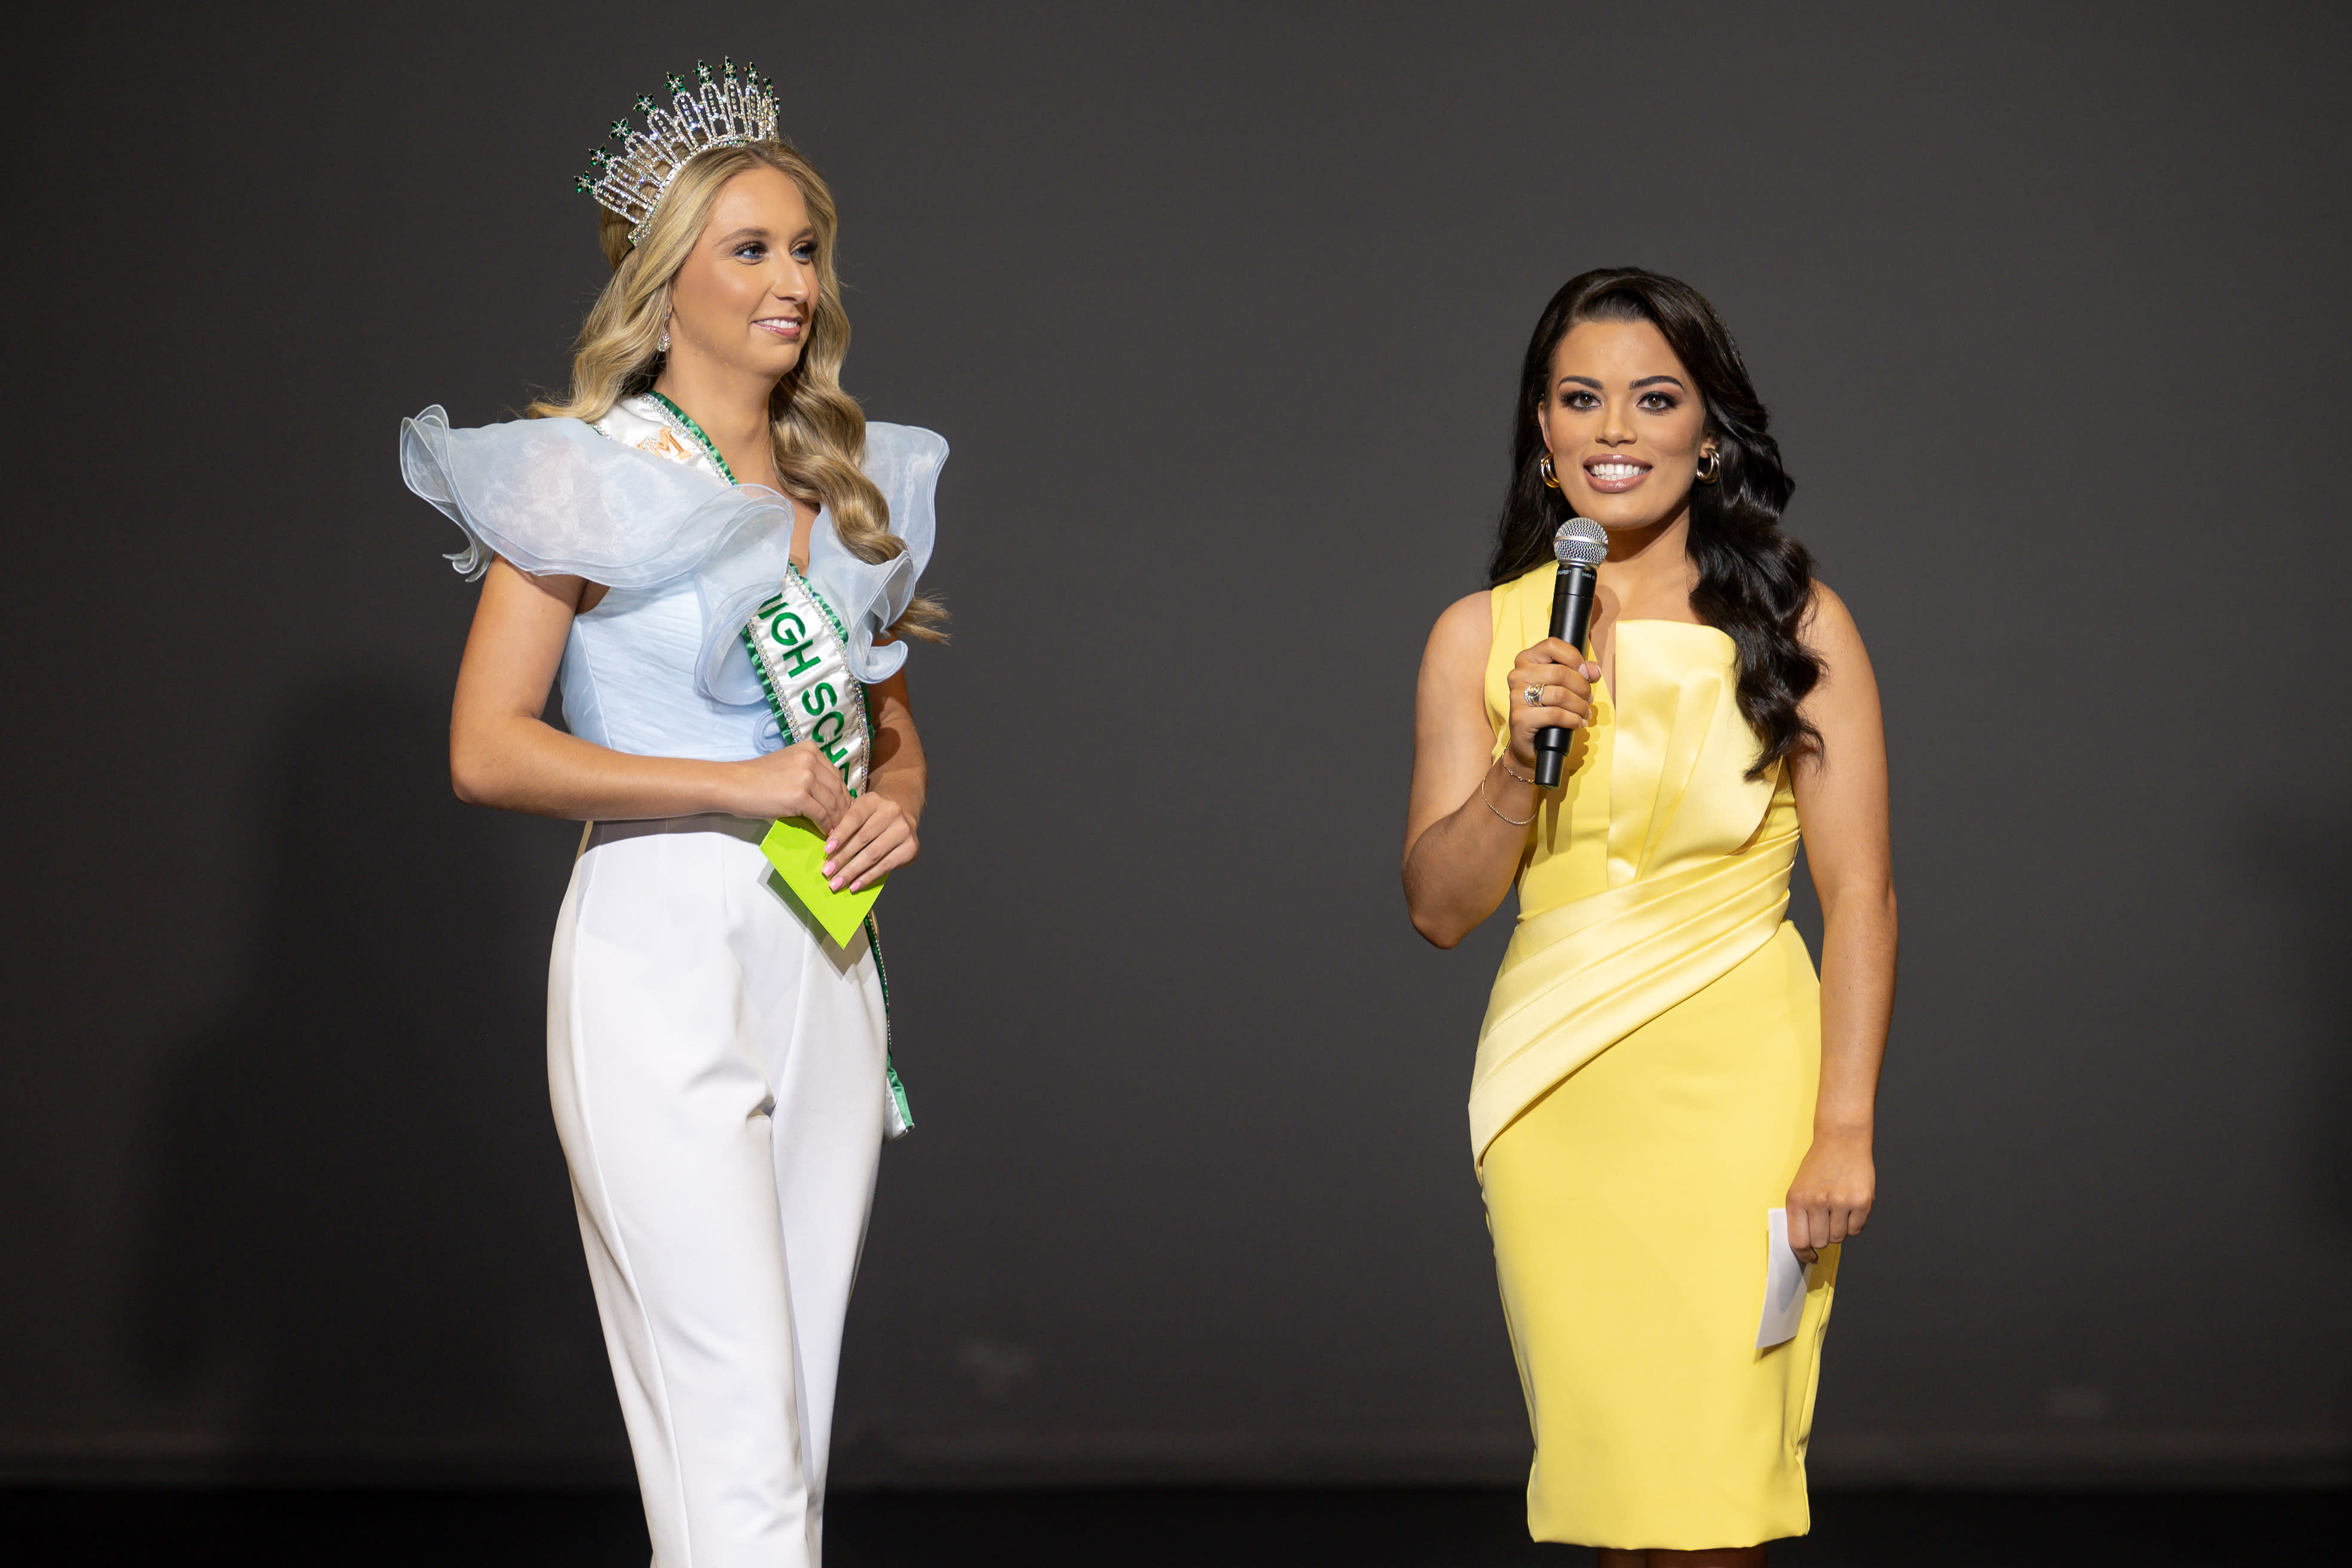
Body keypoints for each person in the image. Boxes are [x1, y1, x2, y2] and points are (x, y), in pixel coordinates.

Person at [397, 60, 945, 1567]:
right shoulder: (587, 475)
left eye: (806, 248)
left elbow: (892, 739)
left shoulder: (842, 486)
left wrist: (892, 802)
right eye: (750, 248)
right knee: (732, 1421)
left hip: (821, 948)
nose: (791, 279)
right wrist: (732, 781)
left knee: (788, 1435)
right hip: (657, 932)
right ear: (666, 282)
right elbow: (487, 749)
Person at [1402, 268, 1896, 1563]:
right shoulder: (1483, 638)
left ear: (1709, 433)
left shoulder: (1800, 626)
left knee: (1715, 1494)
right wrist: (1522, 755)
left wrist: (1842, 1128)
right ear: (1545, 436)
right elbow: (1441, 908)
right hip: (1558, 1099)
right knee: (1618, 1490)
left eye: (1653, 398)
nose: (1615, 429)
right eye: (1581, 400)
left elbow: (1862, 895)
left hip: (1747, 1095)